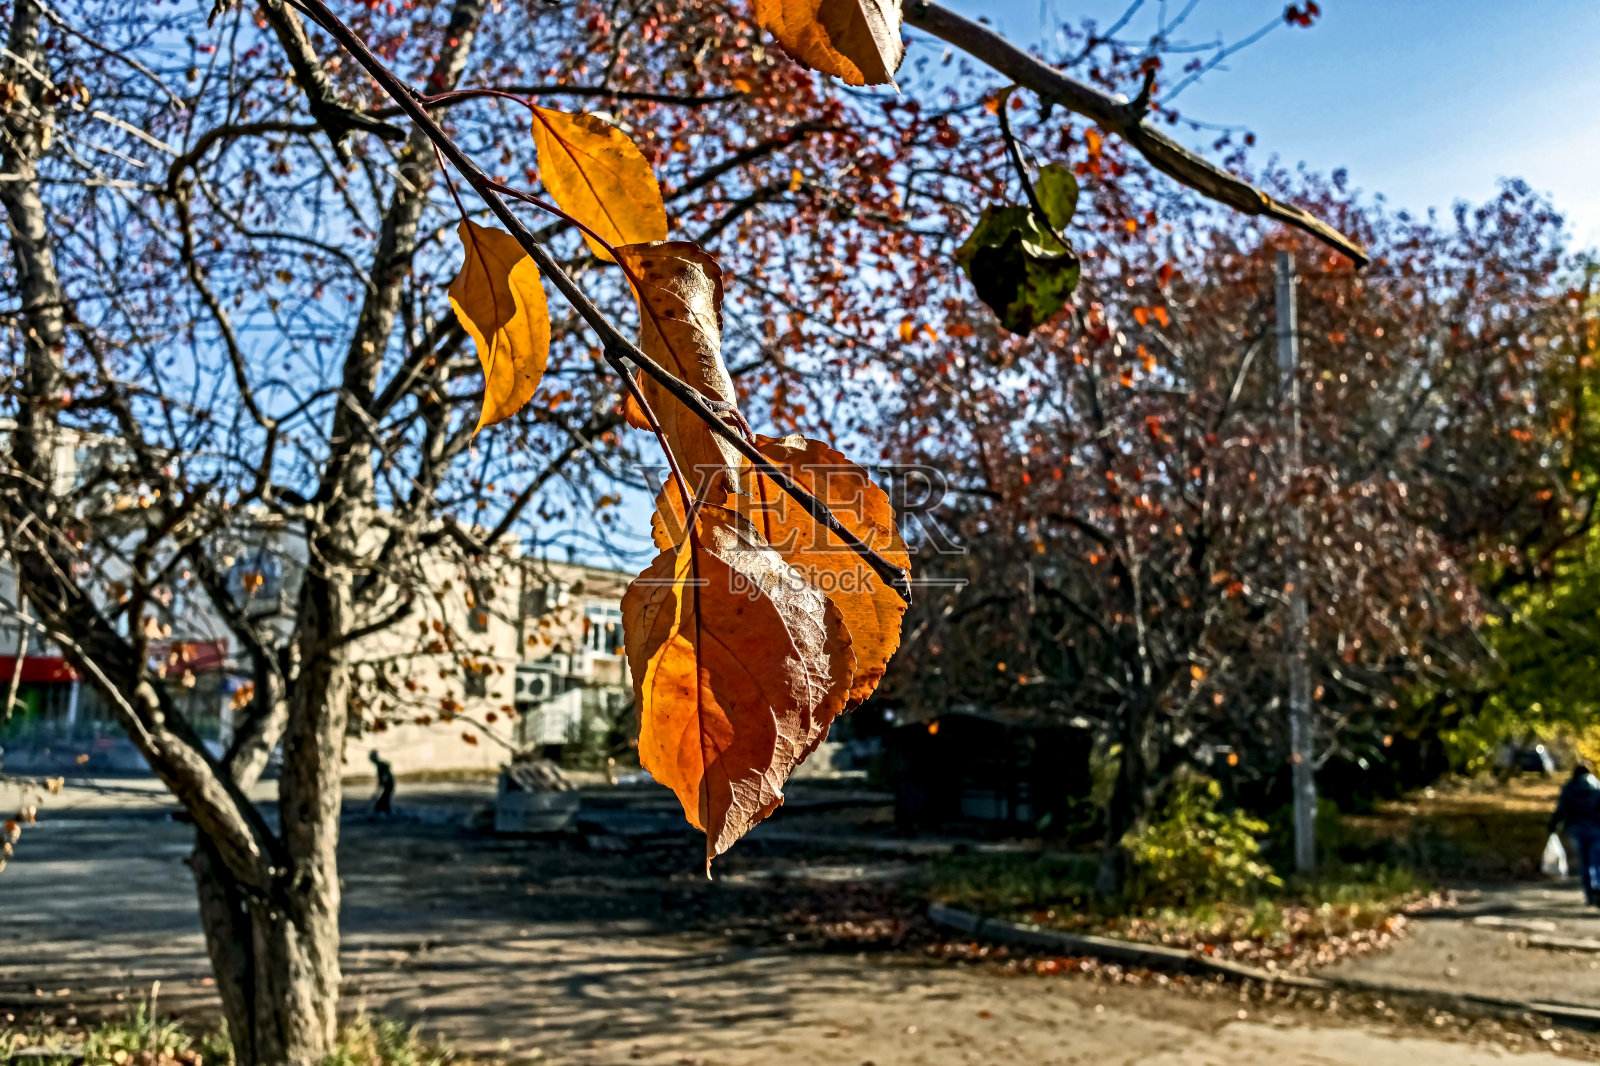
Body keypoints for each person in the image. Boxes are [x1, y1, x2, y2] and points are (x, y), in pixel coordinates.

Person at [1549, 762, 1600, 906]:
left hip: (1577, 829)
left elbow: (1561, 808)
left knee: (1585, 863)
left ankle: (1590, 894)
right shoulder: (1597, 786)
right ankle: (1599, 886)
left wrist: (1553, 825)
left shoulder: (1569, 788)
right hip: (1596, 829)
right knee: (1597, 860)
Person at [369, 749, 395, 816]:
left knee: (383, 802)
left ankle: (387, 815)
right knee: (384, 801)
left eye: (371, 758)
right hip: (388, 785)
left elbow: (388, 765)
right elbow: (381, 781)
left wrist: (385, 777)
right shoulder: (379, 765)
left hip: (389, 785)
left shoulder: (380, 764)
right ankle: (387, 813)